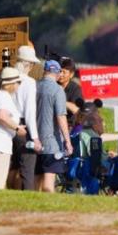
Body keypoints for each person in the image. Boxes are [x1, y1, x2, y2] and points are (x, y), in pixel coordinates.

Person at [35, 60, 73, 193]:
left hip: (33, 140)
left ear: (44, 71)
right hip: (51, 143)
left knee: (36, 180)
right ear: (57, 74)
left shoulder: (34, 86)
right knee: (48, 179)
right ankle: (48, 207)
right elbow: (61, 117)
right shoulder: (58, 90)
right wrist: (68, 142)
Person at [8, 45, 40, 190]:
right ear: (29, 64)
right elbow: (29, 112)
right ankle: (28, 196)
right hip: (22, 126)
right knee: (27, 169)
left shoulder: (6, 77)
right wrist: (34, 137)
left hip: (6, 125)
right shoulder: (29, 82)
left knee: (11, 167)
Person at [57, 57, 84, 126]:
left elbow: (76, 110)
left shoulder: (76, 89)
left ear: (71, 74)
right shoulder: (53, 84)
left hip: (69, 125)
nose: (61, 75)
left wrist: (60, 102)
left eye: (64, 72)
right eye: (59, 71)